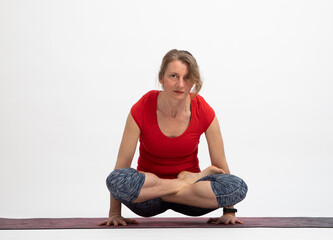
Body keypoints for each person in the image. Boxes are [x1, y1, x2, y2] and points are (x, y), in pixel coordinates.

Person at [99, 49, 248, 226]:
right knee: (115, 179)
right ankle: (188, 180)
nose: (181, 84)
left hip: (191, 198)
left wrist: (229, 211)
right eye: (173, 76)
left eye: (187, 77)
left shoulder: (203, 110)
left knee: (238, 186)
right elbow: (121, 167)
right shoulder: (142, 107)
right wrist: (115, 213)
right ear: (161, 78)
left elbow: (221, 166)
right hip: (148, 199)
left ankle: (184, 182)